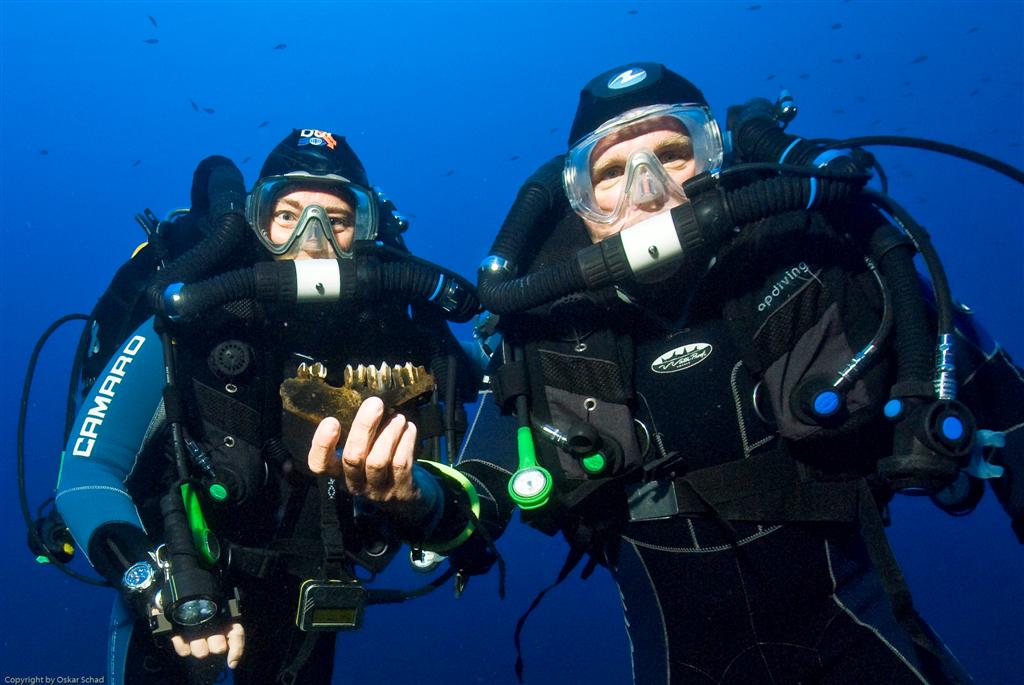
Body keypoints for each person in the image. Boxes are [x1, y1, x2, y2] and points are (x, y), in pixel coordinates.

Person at [309, 63, 1024, 684]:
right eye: (611, 173)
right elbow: (478, 497)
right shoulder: (549, 332)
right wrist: (409, 496)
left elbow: (1008, 413)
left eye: (672, 155)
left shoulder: (825, 266)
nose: (644, 191)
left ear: (719, 163)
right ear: (575, 204)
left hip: (868, 640)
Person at [56, 127, 477, 684]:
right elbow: (86, 474)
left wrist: (416, 499)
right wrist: (153, 583)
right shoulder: (188, 324)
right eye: (289, 216)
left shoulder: (396, 337)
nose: (314, 237)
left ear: (367, 233)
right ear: (253, 224)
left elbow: (484, 412)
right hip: (182, 580)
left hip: (308, 591)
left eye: (339, 220)